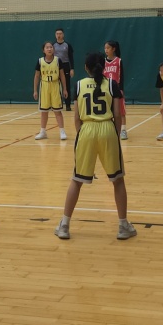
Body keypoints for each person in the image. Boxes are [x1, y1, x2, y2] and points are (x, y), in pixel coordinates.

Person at [54, 51, 136, 242]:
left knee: (76, 180)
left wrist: (82, 135)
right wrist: (115, 135)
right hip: (107, 129)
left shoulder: (79, 85)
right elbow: (117, 115)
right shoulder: (112, 84)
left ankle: (64, 225)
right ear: (104, 67)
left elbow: (76, 117)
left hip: (86, 130)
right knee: (118, 180)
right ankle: (123, 226)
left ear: (85, 68)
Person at [34, 41, 67, 140]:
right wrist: (35, 90)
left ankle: (62, 131)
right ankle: (43, 132)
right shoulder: (40, 61)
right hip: (44, 86)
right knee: (44, 111)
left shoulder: (58, 60)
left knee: (57, 110)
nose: (49, 49)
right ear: (43, 50)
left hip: (55, 85)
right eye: (47, 47)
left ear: (53, 49)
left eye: (51, 47)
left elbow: (62, 75)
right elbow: (36, 76)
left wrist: (65, 89)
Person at [104, 40, 127, 139]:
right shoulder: (103, 61)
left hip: (116, 88)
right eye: (105, 48)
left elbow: (121, 75)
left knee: (121, 111)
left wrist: (121, 88)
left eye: (108, 48)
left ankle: (123, 130)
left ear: (113, 49)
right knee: (108, 110)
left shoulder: (118, 61)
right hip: (106, 88)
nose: (106, 50)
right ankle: (109, 129)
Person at [53, 28, 74, 109]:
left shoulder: (67, 45)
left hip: (65, 66)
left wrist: (72, 69)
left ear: (63, 35)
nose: (59, 35)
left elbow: (71, 57)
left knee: (66, 86)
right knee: (56, 86)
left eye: (60, 34)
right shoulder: (53, 45)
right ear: (55, 35)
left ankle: (68, 105)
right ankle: (57, 104)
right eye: (57, 34)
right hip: (56, 66)